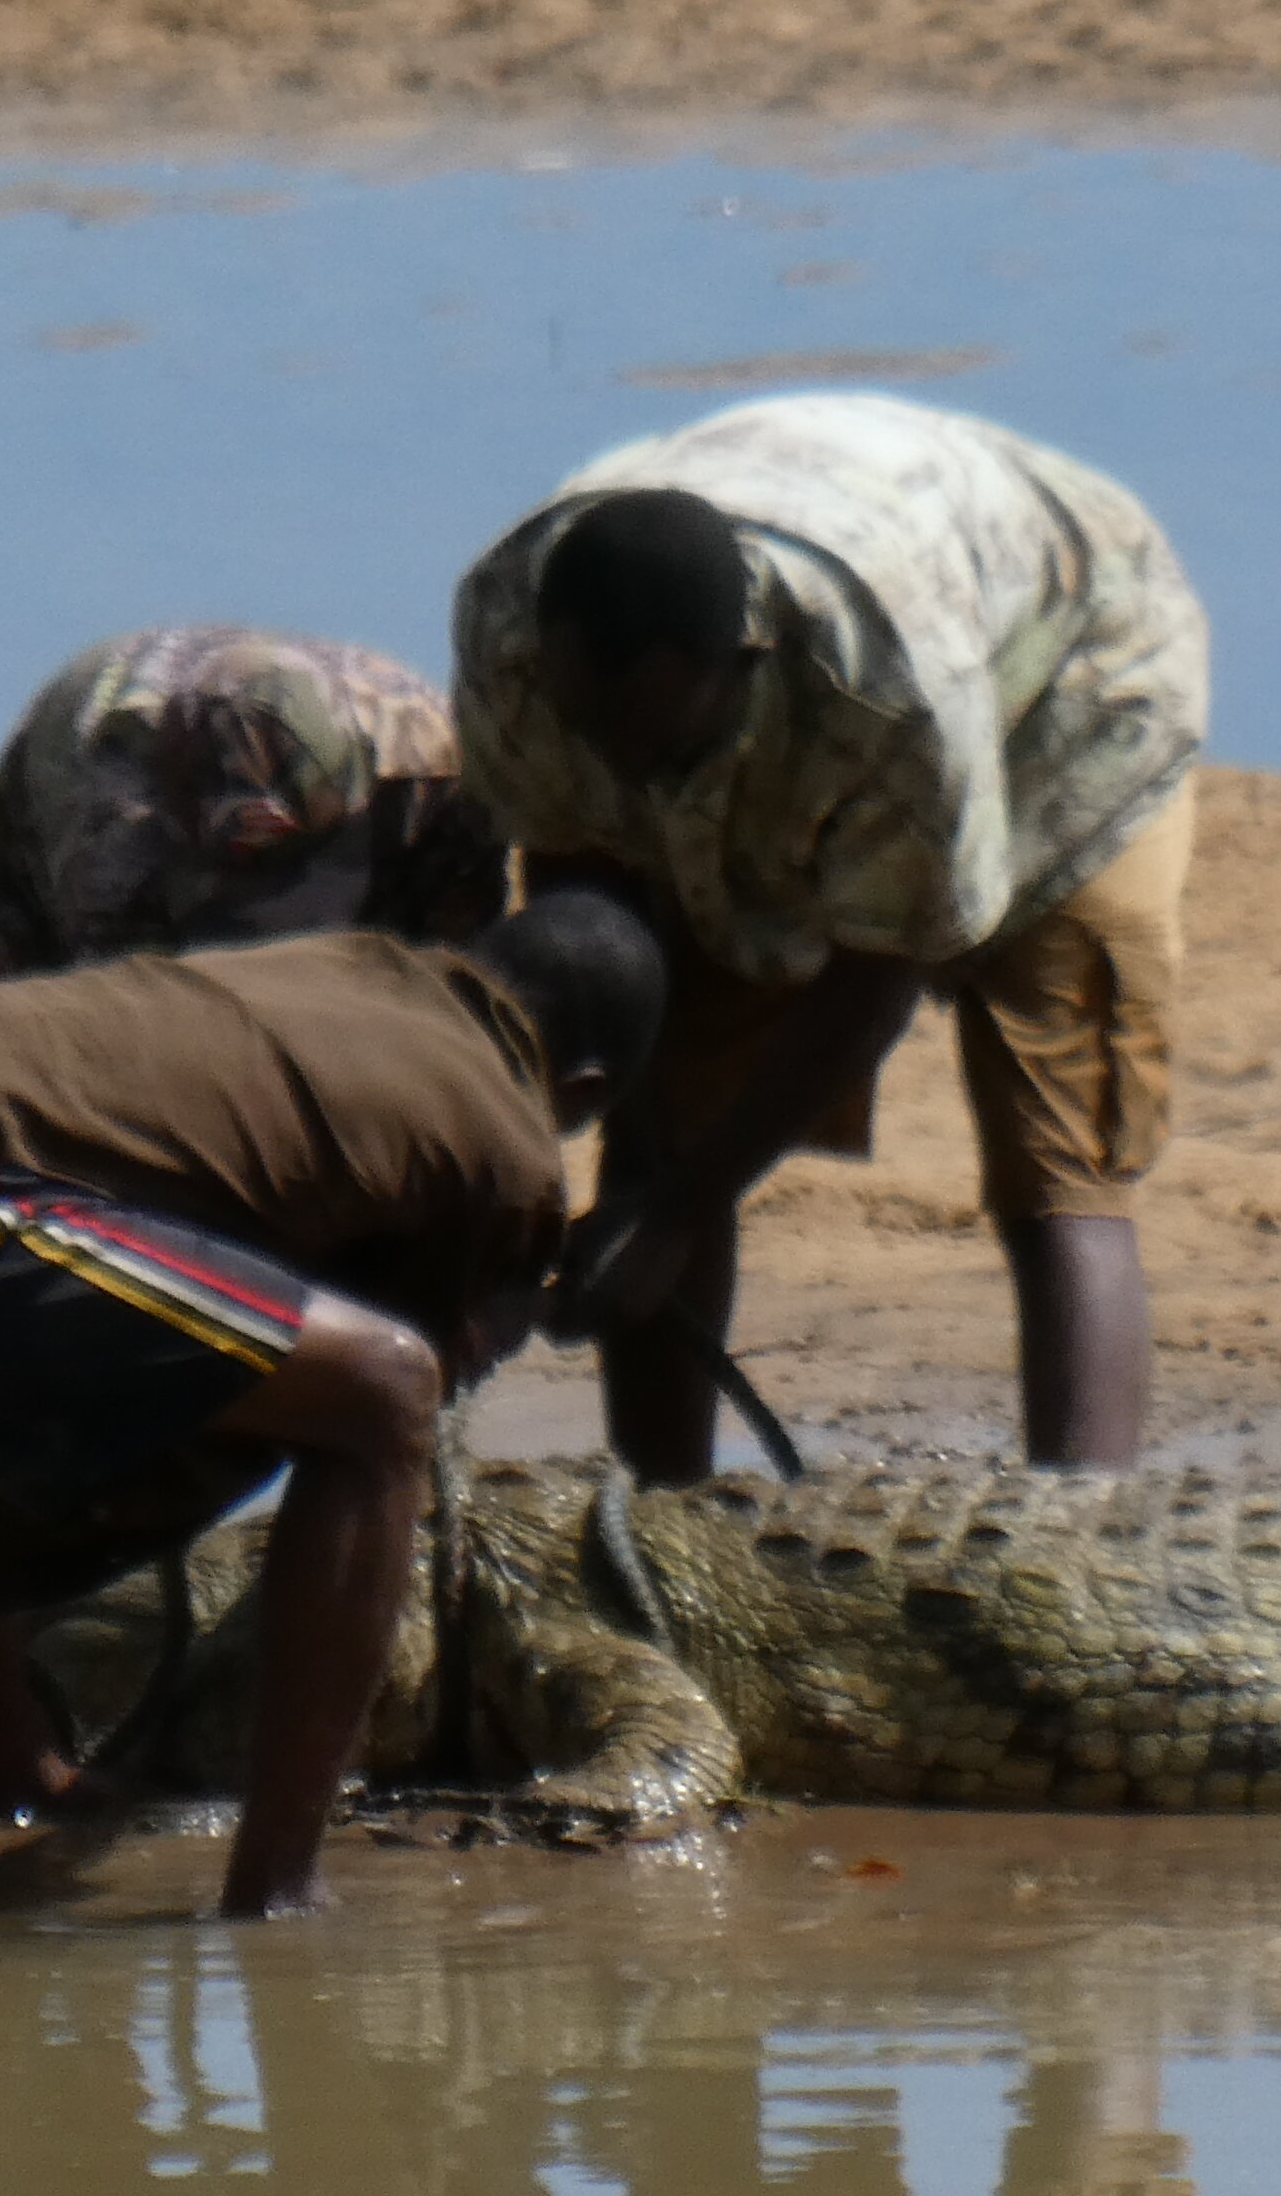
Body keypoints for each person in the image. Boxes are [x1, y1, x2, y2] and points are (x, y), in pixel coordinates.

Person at [0, 895, 665, 1916]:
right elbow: (422, 1369)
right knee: (381, 1394)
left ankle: (20, 1776)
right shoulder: (509, 1136)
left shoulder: (359, 967)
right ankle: (277, 1886)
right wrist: (544, 1292)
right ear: (583, 1085)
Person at [448, 394, 1207, 1479]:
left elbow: (872, 984)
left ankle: (1087, 1542)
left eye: (655, 743)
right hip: (862, 592)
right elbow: (581, 894)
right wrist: (612, 1163)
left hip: (1074, 684)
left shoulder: (888, 687)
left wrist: (684, 1209)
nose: (627, 770)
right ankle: (664, 1526)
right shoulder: (506, 637)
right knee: (663, 1120)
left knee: (1059, 1165)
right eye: (596, 736)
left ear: (741, 661)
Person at [0, 625, 511, 986]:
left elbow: (460, 977)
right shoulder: (109, 815)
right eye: (253, 863)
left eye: (295, 855)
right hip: (82, 809)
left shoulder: (433, 765)